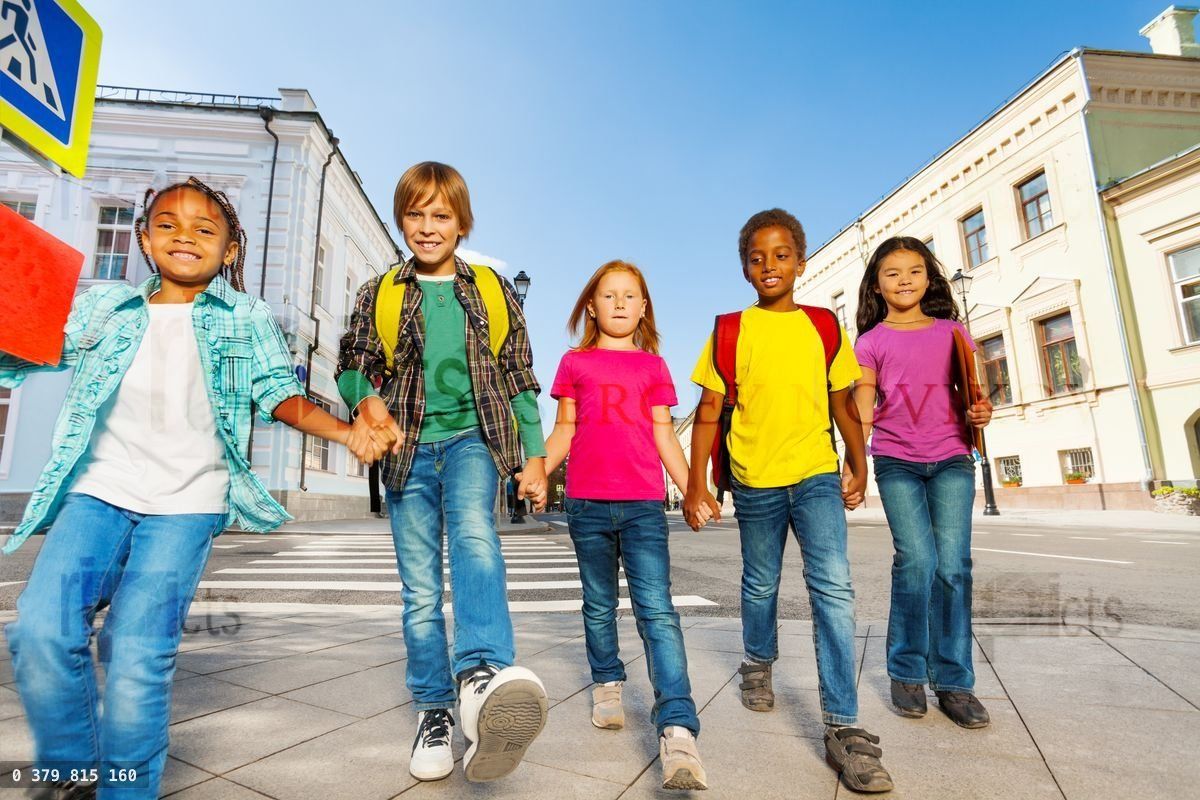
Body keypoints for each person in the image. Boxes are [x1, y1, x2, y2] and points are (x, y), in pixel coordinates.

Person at [2, 177, 366, 800]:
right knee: (39, 627)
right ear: (144, 239)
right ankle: (70, 772)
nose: (185, 236)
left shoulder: (245, 316)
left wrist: (349, 432)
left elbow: (278, 392)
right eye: (168, 224)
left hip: (187, 503)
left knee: (138, 655)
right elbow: (35, 349)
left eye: (205, 228)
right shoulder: (107, 307)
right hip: (98, 490)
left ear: (229, 251)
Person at [336, 162, 549, 783]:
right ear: (402, 218)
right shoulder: (380, 291)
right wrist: (365, 401)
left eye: (440, 216)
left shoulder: (490, 288)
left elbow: (519, 375)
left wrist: (532, 456)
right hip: (406, 449)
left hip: (472, 441)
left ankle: (480, 675)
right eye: (415, 214)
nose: (427, 228)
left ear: (461, 222)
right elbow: (353, 361)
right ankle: (434, 709)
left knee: (476, 544)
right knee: (421, 589)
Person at [683, 208, 894, 793]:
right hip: (754, 479)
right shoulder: (731, 329)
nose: (770, 265)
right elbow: (706, 414)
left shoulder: (824, 326)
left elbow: (843, 403)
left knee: (833, 588)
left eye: (781, 255)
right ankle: (757, 662)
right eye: (757, 257)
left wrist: (859, 460)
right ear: (745, 268)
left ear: (800, 262)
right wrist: (696, 483)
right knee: (760, 582)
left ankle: (844, 725)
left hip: (816, 474)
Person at [544, 260, 707, 791]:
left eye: (629, 295)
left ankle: (678, 724)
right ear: (591, 305)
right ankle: (607, 683)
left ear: (643, 307)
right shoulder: (575, 362)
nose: (618, 303)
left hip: (641, 504)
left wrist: (692, 489)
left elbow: (665, 436)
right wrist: (537, 468)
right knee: (597, 604)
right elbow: (564, 428)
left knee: (657, 610)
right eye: (608, 294)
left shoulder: (653, 367)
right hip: (586, 504)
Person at [851, 235, 993, 729]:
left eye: (914, 271)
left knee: (953, 567)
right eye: (892, 273)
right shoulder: (871, 342)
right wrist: (855, 459)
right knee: (917, 561)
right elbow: (865, 400)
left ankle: (954, 682)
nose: (905, 280)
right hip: (896, 462)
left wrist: (983, 409)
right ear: (877, 285)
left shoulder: (953, 332)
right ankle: (907, 672)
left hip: (953, 456)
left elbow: (975, 391)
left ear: (929, 278)